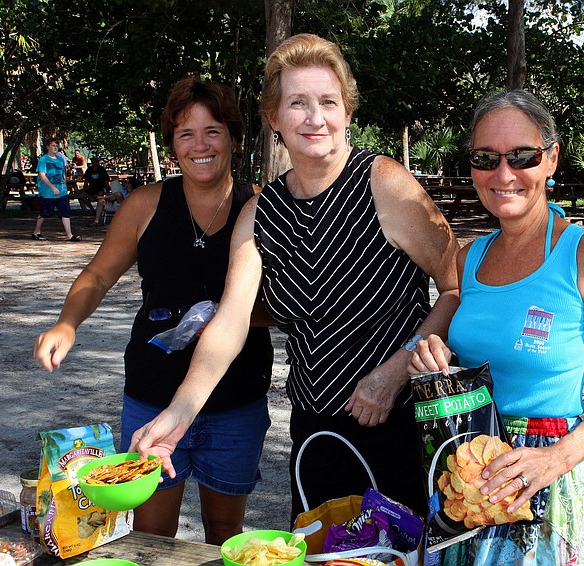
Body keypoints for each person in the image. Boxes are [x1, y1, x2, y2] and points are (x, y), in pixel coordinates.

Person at [129, 33, 460, 523]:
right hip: (314, 425)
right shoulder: (260, 214)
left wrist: (396, 370)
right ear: (274, 118)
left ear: (347, 111)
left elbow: (459, 286)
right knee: (321, 551)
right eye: (297, 103)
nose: (314, 117)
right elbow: (231, 322)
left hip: (400, 418)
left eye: (328, 102)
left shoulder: (384, 183)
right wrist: (179, 413)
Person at [407, 90, 584, 565]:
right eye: (485, 158)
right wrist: (430, 358)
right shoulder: (469, 256)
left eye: (522, 156)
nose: (504, 173)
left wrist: (556, 459)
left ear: (551, 159)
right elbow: (464, 361)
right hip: (465, 472)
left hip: (546, 474)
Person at [32, 77, 274, 545]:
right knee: (150, 533)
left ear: (234, 139)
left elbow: (290, 305)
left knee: (225, 533)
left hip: (235, 400)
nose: (199, 145)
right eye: (186, 134)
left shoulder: (261, 205)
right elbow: (97, 276)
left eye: (212, 131)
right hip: (152, 397)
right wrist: (67, 322)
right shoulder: (146, 204)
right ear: (172, 146)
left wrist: (227, 313)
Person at [31, 138, 81, 241]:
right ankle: (36, 232)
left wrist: (65, 186)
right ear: (48, 146)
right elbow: (42, 175)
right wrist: (52, 187)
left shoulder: (60, 159)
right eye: (53, 145)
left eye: (57, 146)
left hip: (61, 190)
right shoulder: (44, 160)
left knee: (65, 212)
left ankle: (69, 235)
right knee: (45, 212)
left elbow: (63, 174)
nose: (55, 148)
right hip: (47, 191)